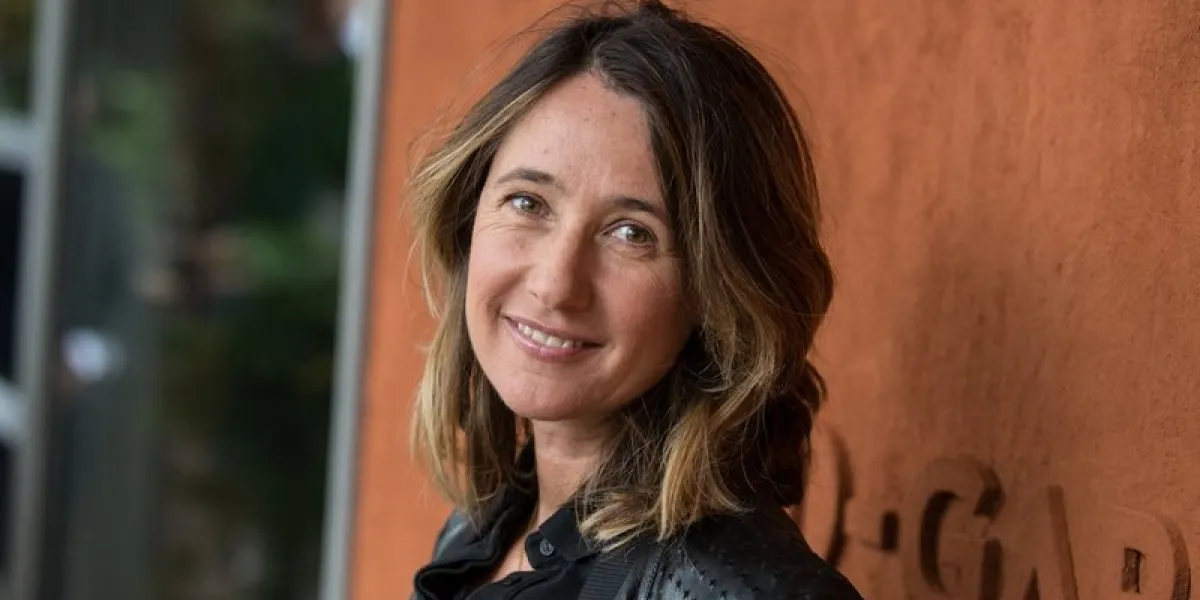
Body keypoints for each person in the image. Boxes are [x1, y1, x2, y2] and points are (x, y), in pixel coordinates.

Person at [407, 2, 864, 598]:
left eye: (631, 234)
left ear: (718, 292)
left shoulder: (732, 589)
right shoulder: (483, 530)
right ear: (468, 219)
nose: (555, 283)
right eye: (528, 202)